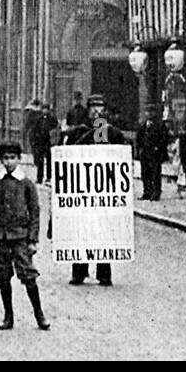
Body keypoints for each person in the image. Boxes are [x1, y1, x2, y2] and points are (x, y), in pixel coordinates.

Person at [0, 141, 50, 331]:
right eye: (5, 158)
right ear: (0, 159)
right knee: (3, 275)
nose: (9, 162)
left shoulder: (26, 184)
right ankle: (8, 316)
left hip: (20, 237)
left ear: (19, 159)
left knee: (28, 275)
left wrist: (33, 239)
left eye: (12, 158)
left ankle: (39, 314)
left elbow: (34, 212)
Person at [67, 96, 128, 286]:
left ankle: (104, 272)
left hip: (104, 191)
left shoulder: (113, 133)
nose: (96, 111)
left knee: (104, 233)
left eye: (100, 107)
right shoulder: (79, 132)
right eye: (93, 107)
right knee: (81, 232)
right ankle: (79, 271)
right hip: (83, 190)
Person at [136, 113, 173, 202]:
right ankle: (147, 192)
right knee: (145, 173)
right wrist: (140, 149)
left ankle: (156, 193)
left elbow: (164, 138)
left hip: (154, 154)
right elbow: (138, 138)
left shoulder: (159, 126)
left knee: (155, 173)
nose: (148, 116)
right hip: (145, 153)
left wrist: (158, 148)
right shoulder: (143, 126)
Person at [28, 100, 56, 185]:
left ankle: (49, 177)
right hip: (40, 142)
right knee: (40, 161)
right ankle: (39, 178)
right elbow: (35, 129)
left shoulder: (52, 118)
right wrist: (35, 140)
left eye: (46, 109)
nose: (45, 111)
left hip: (48, 142)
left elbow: (55, 129)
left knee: (49, 161)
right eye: (43, 109)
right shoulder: (39, 119)